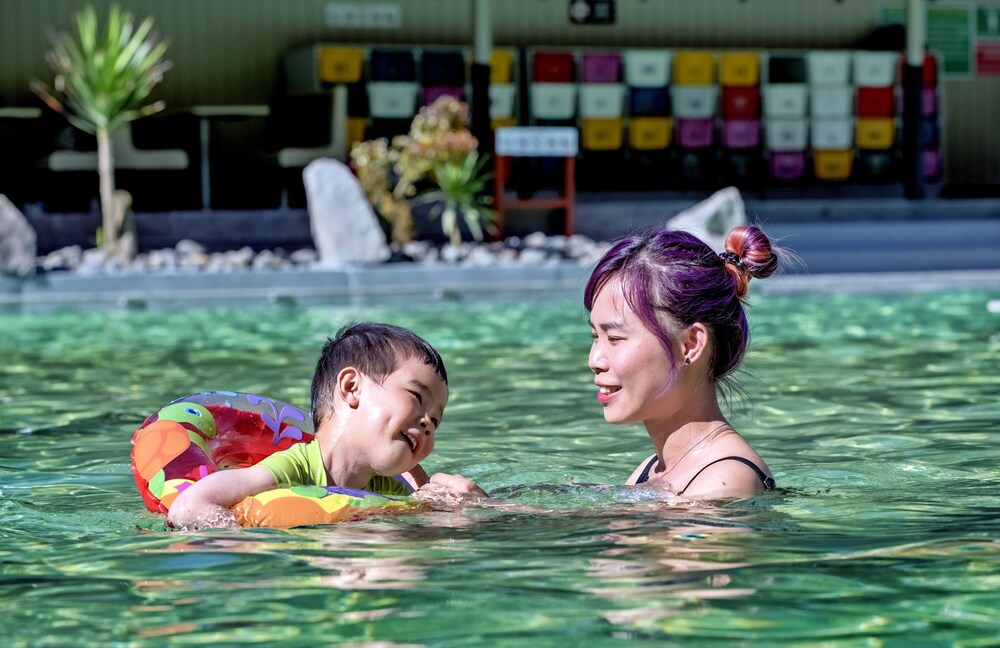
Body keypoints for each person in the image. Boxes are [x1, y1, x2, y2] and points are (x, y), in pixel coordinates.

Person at [168, 322, 485, 529]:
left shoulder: (391, 490)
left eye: (436, 419)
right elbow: (190, 504)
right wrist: (245, 544)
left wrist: (471, 508)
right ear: (351, 389)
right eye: (417, 396)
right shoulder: (291, 469)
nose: (428, 422)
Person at [585, 225, 778, 499]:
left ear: (690, 344)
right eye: (595, 335)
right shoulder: (651, 470)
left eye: (615, 338)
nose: (594, 360)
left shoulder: (725, 481)